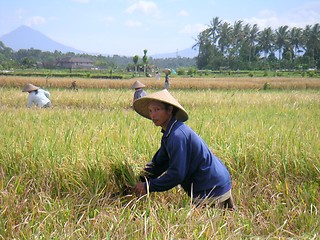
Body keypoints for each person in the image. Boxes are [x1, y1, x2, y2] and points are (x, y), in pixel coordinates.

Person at [132, 89, 234, 209]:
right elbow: (159, 164)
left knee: (204, 226)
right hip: (217, 180)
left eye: (157, 110)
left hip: (210, 186)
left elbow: (176, 174)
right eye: (150, 111)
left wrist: (148, 186)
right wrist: (138, 180)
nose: (153, 115)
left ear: (169, 110)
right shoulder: (170, 133)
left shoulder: (177, 136)